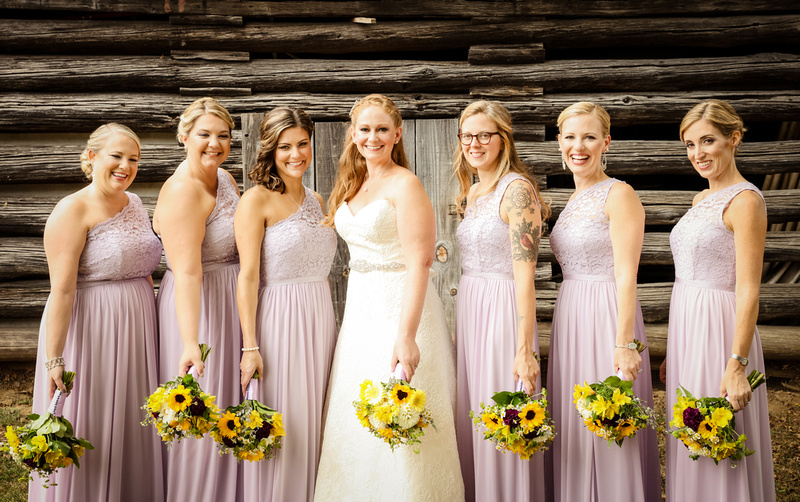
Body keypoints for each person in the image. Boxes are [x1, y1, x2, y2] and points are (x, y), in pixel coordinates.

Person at [313, 94, 465, 501]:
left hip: (402, 308)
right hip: (360, 311)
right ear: (353, 134)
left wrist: (407, 335)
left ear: (397, 134)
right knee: (356, 412)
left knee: (401, 413)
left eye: (382, 129)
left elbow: (420, 263)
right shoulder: (353, 182)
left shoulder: (406, 183)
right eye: (364, 129)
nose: (372, 137)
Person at [28, 124, 164, 501]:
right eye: (116, 156)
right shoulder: (72, 210)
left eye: (133, 159)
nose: (125, 166)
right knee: (95, 420)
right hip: (92, 327)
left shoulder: (135, 203)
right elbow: (62, 290)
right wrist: (55, 357)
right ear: (91, 158)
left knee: (131, 421)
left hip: (138, 323)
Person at [547, 102, 660, 502]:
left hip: (606, 315)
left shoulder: (619, 194)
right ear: (559, 142)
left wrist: (624, 342)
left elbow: (626, 273)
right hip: (572, 313)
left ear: (606, 142)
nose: (579, 146)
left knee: (608, 418)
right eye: (571, 137)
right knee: (576, 427)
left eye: (590, 137)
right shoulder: (572, 201)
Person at [663, 100, 775, 501]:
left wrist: (738, 364)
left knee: (717, 437)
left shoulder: (745, 201)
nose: (698, 153)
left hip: (721, 331)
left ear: (734, 139)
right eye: (690, 145)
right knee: (692, 434)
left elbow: (748, 289)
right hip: (688, 328)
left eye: (707, 141)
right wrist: (674, 350)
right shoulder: (699, 202)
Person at [235, 107, 338, 501]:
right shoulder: (255, 200)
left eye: (302, 144)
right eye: (285, 147)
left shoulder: (317, 199)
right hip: (280, 317)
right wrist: (250, 345)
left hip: (320, 315)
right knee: (286, 420)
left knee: (317, 419)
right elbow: (247, 276)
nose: (296, 154)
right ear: (270, 151)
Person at [452, 100, 549, 501]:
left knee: (503, 412)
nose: (474, 143)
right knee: (475, 413)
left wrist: (524, 349)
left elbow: (525, 277)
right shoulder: (474, 191)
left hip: (503, 308)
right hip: (472, 306)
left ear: (503, 139)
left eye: (484, 135)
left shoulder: (517, 191)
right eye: (467, 135)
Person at [154, 97, 241, 500]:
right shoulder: (182, 192)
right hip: (198, 305)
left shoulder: (224, 179)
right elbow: (187, 271)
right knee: (202, 406)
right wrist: (191, 341)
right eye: (204, 134)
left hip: (229, 295)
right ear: (184, 136)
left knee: (230, 408)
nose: (214, 143)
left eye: (223, 135)